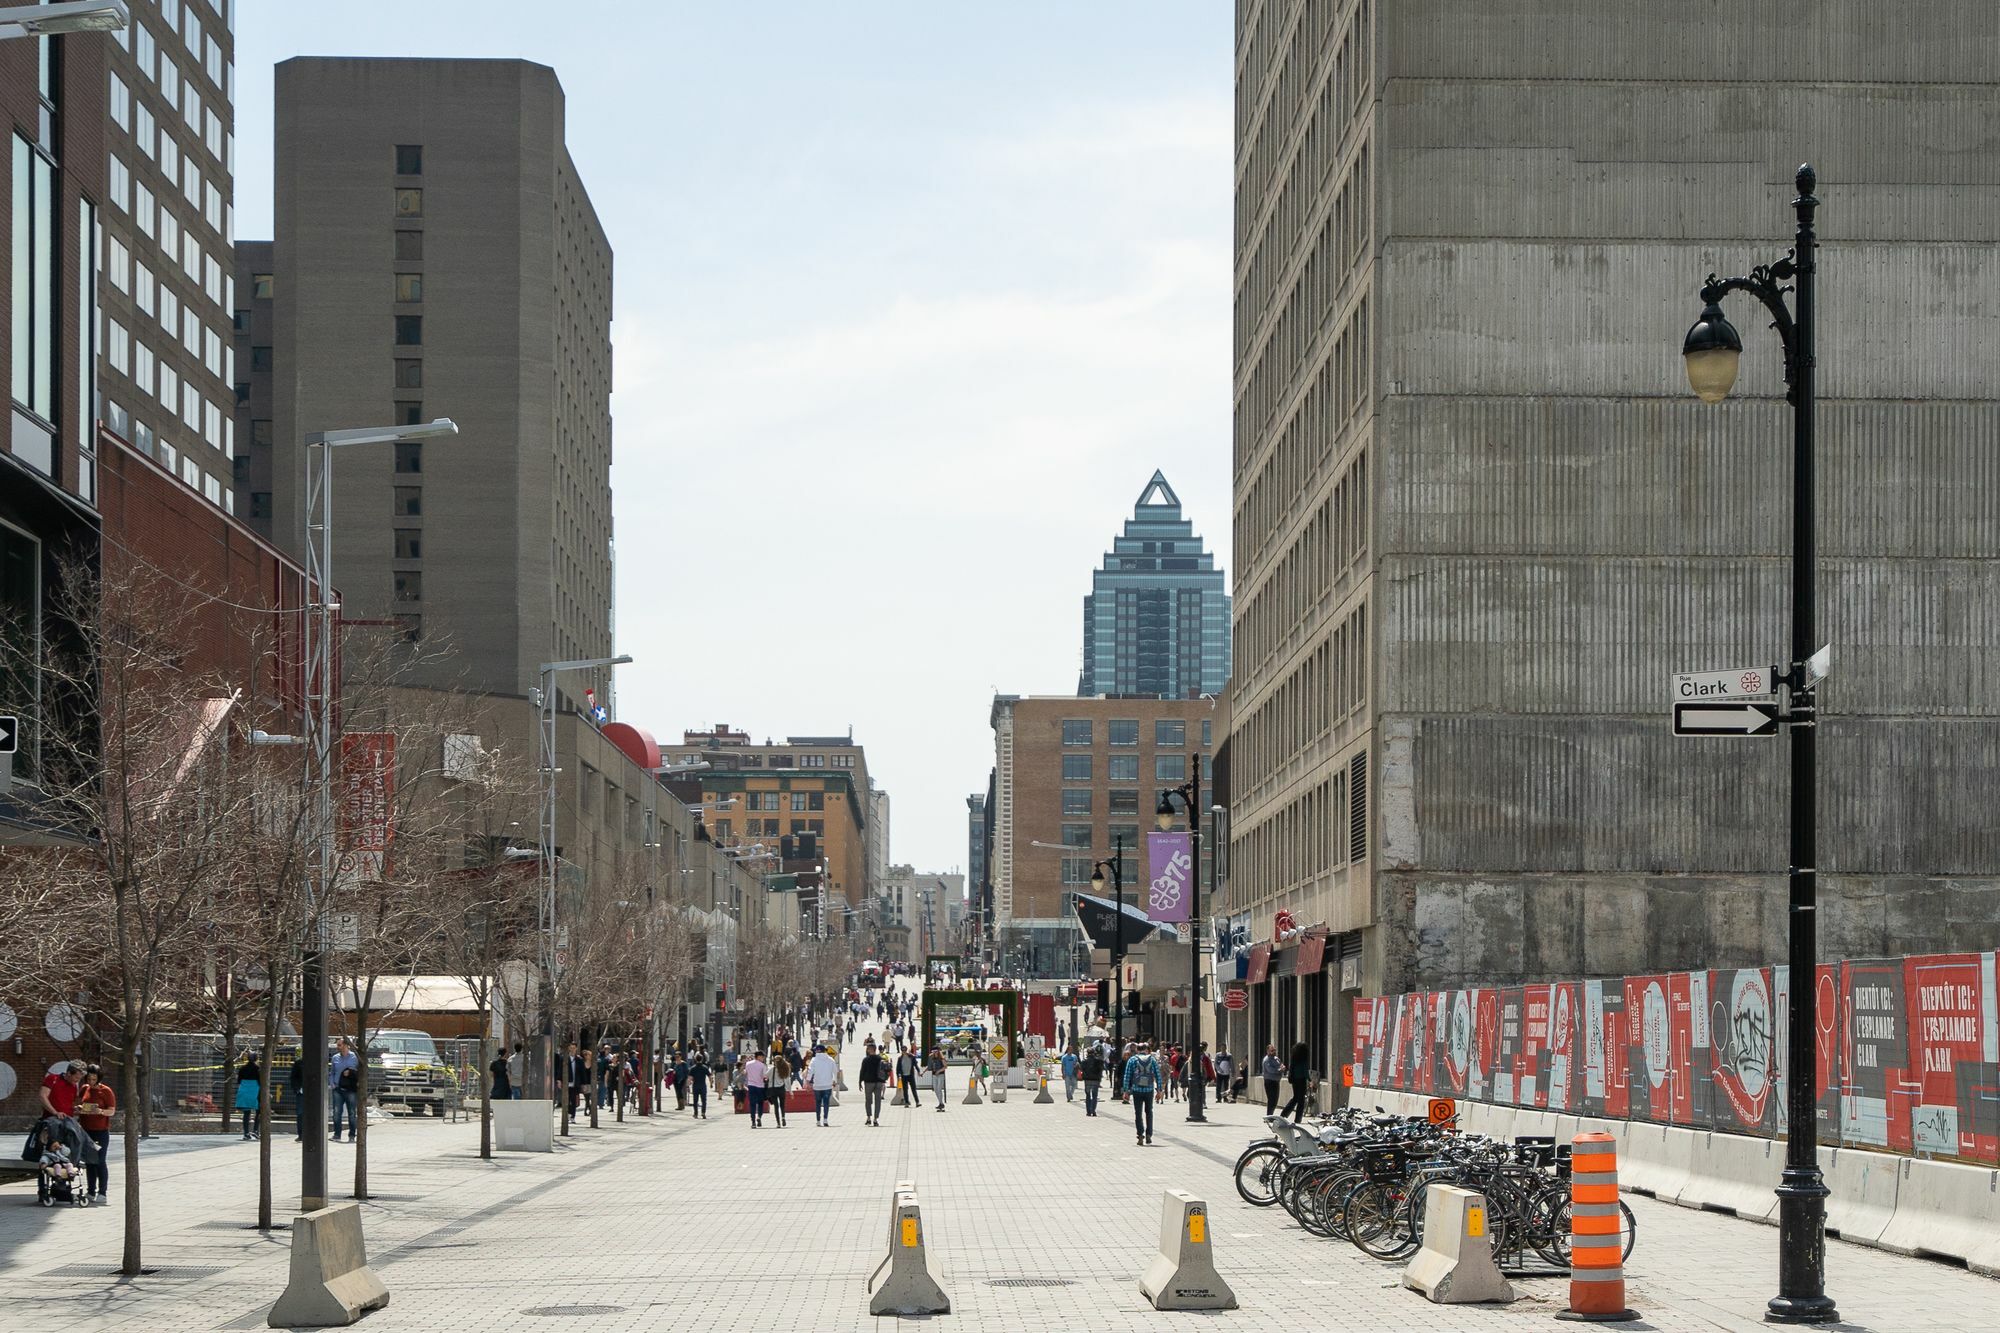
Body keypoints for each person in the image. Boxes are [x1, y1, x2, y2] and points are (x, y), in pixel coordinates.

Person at [76, 1065, 115, 1203]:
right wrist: (80, 1108)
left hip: (101, 1131)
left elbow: (111, 1111)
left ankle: (102, 1192)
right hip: (86, 1130)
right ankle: (91, 1191)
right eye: (89, 1078)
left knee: (100, 1160)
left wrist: (101, 1112)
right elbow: (80, 1104)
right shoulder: (84, 1089)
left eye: (94, 1079)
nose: (92, 1081)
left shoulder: (106, 1091)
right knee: (90, 1162)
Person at [1123, 1040, 1160, 1146]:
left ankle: (1140, 1135)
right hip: (1149, 1090)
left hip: (1137, 1090)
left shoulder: (1132, 1060)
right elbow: (1157, 1075)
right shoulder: (1152, 1060)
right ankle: (1149, 1134)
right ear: (1145, 1050)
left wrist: (1126, 1091)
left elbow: (1127, 1076)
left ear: (1137, 1050)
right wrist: (1160, 1090)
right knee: (1149, 1112)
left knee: (1138, 1113)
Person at [329, 1039, 359, 1143]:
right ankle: (337, 1135)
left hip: (350, 1089)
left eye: (340, 1045)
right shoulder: (335, 1058)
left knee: (351, 1112)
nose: (338, 1047)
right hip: (337, 1088)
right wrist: (332, 1083)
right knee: (337, 1112)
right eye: (337, 1045)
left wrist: (351, 1072)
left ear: (346, 1045)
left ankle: (352, 1135)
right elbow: (332, 1072)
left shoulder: (354, 1058)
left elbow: (360, 1072)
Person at [858, 1039, 888, 1126]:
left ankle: (868, 1118)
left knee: (868, 1101)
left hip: (869, 1082)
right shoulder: (880, 1059)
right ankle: (875, 1119)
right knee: (878, 1101)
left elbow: (862, 1071)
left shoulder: (866, 1060)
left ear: (869, 1050)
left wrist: (860, 1082)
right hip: (879, 1082)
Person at [807, 1044, 839, 1126]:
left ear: (818, 1050)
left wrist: (808, 1082)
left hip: (817, 1085)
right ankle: (825, 1120)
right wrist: (835, 1081)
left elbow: (810, 1071)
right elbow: (835, 1071)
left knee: (817, 1103)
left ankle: (818, 1120)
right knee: (826, 1103)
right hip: (827, 1085)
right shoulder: (830, 1059)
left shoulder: (814, 1060)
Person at [1281, 1041, 1312, 1123]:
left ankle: (1284, 1113)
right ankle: (1298, 1118)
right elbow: (1305, 1071)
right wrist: (1309, 1079)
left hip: (1294, 1079)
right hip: (1301, 1080)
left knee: (1295, 1098)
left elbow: (1291, 1069)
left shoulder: (1294, 1058)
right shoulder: (1304, 1059)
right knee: (1301, 1100)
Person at [234, 1054, 262, 1140]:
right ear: (256, 1059)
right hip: (255, 1091)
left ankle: (246, 1133)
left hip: (244, 1090)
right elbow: (261, 1081)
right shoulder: (258, 1069)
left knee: (246, 1113)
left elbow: (239, 1081)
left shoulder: (242, 1068)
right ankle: (256, 1130)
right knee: (259, 1111)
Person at [1079, 1044, 1105, 1117]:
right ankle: (1093, 1110)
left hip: (1087, 1080)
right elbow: (1101, 1069)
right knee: (1094, 1095)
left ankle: (1088, 1111)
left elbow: (1082, 1069)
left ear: (1087, 1053)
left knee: (1087, 1095)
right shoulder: (1098, 1061)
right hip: (1096, 1080)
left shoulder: (1084, 1061)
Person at [744, 1050, 769, 1126]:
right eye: (762, 1057)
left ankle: (753, 1121)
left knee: (752, 1104)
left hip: (751, 1085)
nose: (763, 1058)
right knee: (760, 1103)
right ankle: (759, 1117)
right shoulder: (762, 1065)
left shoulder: (748, 1064)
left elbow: (746, 1073)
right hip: (760, 1086)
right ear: (758, 1057)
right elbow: (765, 1076)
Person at [685, 1049, 710, 1119]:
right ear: (702, 1059)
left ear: (695, 1059)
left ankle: (695, 1113)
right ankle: (703, 1112)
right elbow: (710, 1076)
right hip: (703, 1085)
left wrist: (687, 1086)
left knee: (695, 1100)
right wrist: (711, 1083)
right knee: (704, 1100)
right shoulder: (705, 1067)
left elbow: (689, 1078)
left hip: (695, 1085)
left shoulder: (692, 1068)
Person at [768, 1050, 790, 1127]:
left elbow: (765, 1076)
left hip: (773, 1089)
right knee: (782, 1105)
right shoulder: (784, 1069)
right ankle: (783, 1117)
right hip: (781, 1089)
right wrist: (790, 1091)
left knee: (776, 1106)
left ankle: (778, 1123)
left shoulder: (772, 1069)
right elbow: (787, 1080)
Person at [1261, 1043, 1283, 1116]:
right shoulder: (1266, 1060)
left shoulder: (1276, 1059)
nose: (1273, 1052)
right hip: (1269, 1082)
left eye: (1274, 1050)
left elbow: (1281, 1065)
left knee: (1275, 1099)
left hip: (1276, 1081)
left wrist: (1282, 1068)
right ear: (1267, 1051)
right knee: (1271, 1099)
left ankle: (1271, 1114)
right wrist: (1280, 1069)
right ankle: (1269, 1115)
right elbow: (1271, 1070)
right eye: (1272, 1050)